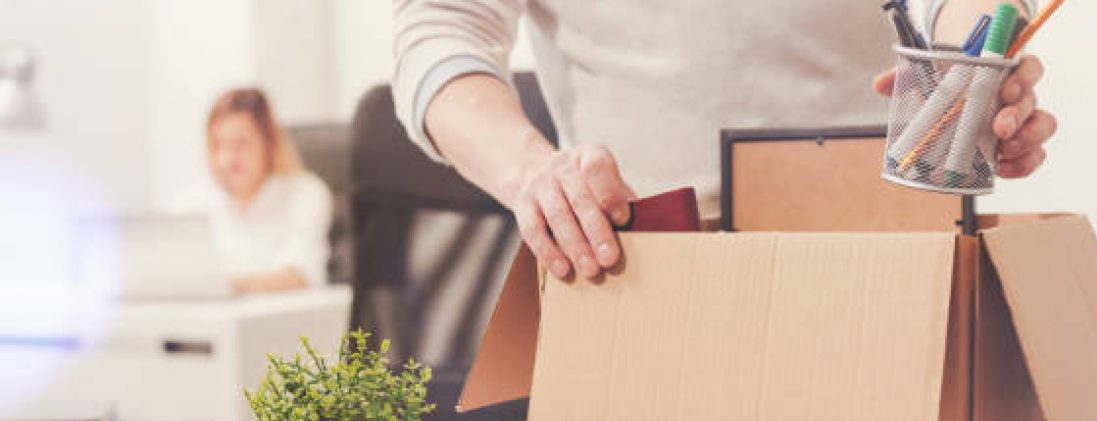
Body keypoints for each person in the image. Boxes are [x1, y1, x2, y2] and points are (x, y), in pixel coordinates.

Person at [392, 1, 1057, 280]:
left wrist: (979, 75)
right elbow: (441, 34)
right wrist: (528, 173)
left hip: (887, 257)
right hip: (654, 264)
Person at [203, 88, 332, 294]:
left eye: (240, 144)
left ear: (269, 143)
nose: (227, 159)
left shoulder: (305, 193)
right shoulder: (193, 203)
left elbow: (303, 275)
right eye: (219, 145)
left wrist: (225, 287)